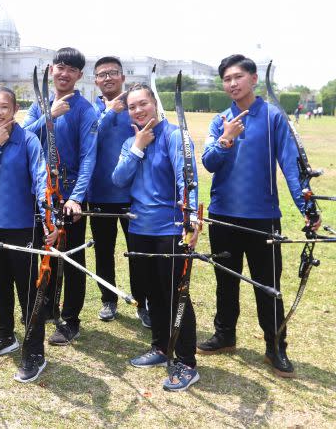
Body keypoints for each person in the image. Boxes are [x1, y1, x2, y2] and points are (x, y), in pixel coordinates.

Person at [198, 54, 319, 377]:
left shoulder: (273, 117)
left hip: (262, 218)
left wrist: (308, 210)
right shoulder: (220, 119)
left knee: (268, 285)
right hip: (222, 216)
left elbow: (293, 168)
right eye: (227, 79)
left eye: (238, 77)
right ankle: (225, 335)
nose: (232, 84)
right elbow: (209, 162)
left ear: (253, 79)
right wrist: (226, 139)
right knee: (226, 281)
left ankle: (275, 346)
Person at [112, 83, 200, 392]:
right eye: (132, 106)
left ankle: (187, 361)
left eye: (142, 104)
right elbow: (119, 180)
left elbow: (186, 181)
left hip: (170, 231)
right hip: (139, 230)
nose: (138, 110)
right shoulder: (130, 142)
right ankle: (161, 347)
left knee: (176, 295)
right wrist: (137, 146)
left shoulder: (176, 136)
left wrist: (190, 222)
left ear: (155, 104)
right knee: (152, 293)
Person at [0, 86, 56, 383]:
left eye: (3, 107)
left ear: (14, 109)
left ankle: (35, 353)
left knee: (29, 293)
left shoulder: (29, 140)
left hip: (23, 229)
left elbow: (40, 178)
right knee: (1, 287)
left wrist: (49, 218)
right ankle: (5, 336)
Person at [22, 47, 98, 346]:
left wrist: (77, 197)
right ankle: (47, 306)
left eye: (71, 69)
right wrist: (48, 117)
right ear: (52, 69)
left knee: (71, 256)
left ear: (79, 75)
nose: (64, 73)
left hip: (69, 197)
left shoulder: (85, 110)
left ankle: (71, 318)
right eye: (60, 66)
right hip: (41, 193)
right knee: (44, 251)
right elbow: (23, 136)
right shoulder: (39, 105)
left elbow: (89, 157)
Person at [88, 56, 149, 326]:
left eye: (113, 73)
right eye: (102, 74)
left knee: (137, 251)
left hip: (132, 195)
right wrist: (109, 111)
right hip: (99, 193)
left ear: (122, 77)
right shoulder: (92, 110)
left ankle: (142, 301)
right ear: (95, 80)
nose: (108, 78)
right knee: (103, 250)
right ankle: (108, 298)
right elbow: (89, 140)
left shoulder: (135, 108)